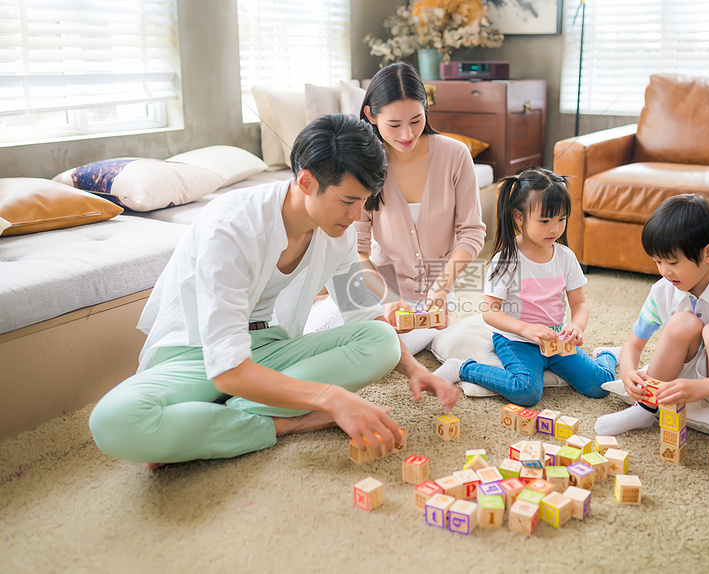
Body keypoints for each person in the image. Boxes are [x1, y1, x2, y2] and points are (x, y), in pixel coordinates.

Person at [88, 114, 459, 469]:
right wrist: (331, 399)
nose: (357, 214)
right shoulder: (230, 229)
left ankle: (206, 426)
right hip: (197, 354)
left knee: (380, 338)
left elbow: (362, 313)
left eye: (365, 200)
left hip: (270, 347)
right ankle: (285, 423)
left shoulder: (338, 232)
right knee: (113, 421)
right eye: (348, 200)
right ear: (306, 181)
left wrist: (412, 369)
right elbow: (228, 369)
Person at [593, 193, 709, 490]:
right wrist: (627, 371)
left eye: (672, 262)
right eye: (658, 261)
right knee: (682, 323)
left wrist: (702, 388)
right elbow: (633, 344)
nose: (664, 271)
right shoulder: (663, 290)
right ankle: (645, 410)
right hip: (682, 378)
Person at [305, 62, 485, 359]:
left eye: (416, 120)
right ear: (371, 116)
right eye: (394, 125)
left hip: (434, 295)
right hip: (378, 287)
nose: (406, 134)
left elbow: (472, 233)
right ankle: (322, 304)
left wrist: (441, 289)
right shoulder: (364, 165)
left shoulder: (455, 155)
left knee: (378, 353)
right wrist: (389, 299)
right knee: (311, 340)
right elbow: (358, 251)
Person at [435, 168, 618, 406]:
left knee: (600, 385)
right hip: (515, 340)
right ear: (519, 217)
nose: (555, 229)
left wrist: (577, 325)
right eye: (545, 221)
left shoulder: (565, 257)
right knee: (526, 392)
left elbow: (579, 302)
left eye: (561, 219)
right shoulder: (507, 259)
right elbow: (490, 312)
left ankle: (607, 355)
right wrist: (526, 330)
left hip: (557, 339)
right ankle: (462, 369)